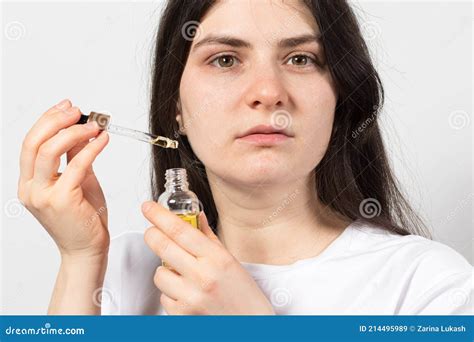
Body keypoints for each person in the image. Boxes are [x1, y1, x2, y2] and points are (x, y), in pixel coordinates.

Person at [18, 0, 472, 315]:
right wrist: (79, 257)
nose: (268, 93)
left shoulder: (428, 287)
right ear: (175, 106)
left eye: (299, 59)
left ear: (339, 97)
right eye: (225, 60)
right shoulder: (123, 271)